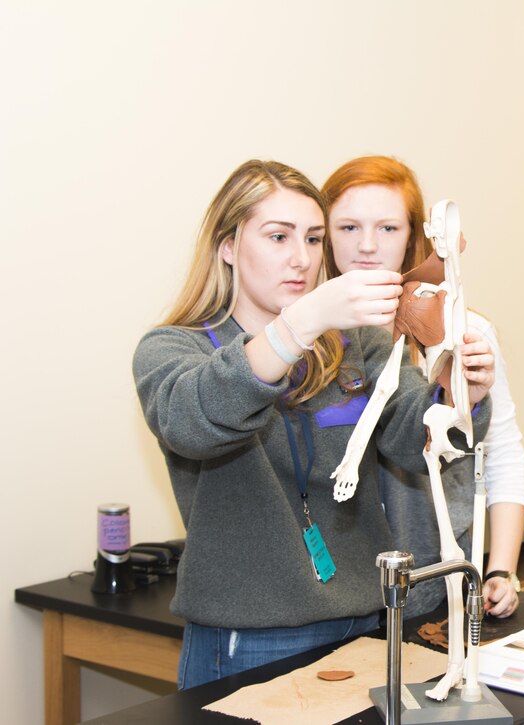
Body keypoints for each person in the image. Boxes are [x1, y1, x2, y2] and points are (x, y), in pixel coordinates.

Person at [132, 159, 495, 688]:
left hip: (366, 622)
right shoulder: (173, 349)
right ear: (228, 246)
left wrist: (462, 395)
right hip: (252, 638)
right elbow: (194, 419)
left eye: (313, 239)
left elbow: (416, 439)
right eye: (278, 237)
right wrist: (299, 324)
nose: (301, 259)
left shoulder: (356, 345)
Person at [322, 156, 524, 619]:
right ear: (324, 233)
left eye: (388, 228)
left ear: (415, 235)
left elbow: (502, 454)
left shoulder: (459, 332)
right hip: (334, 593)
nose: (368, 246)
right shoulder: (308, 338)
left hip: (437, 584)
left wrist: (499, 571)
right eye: (349, 227)